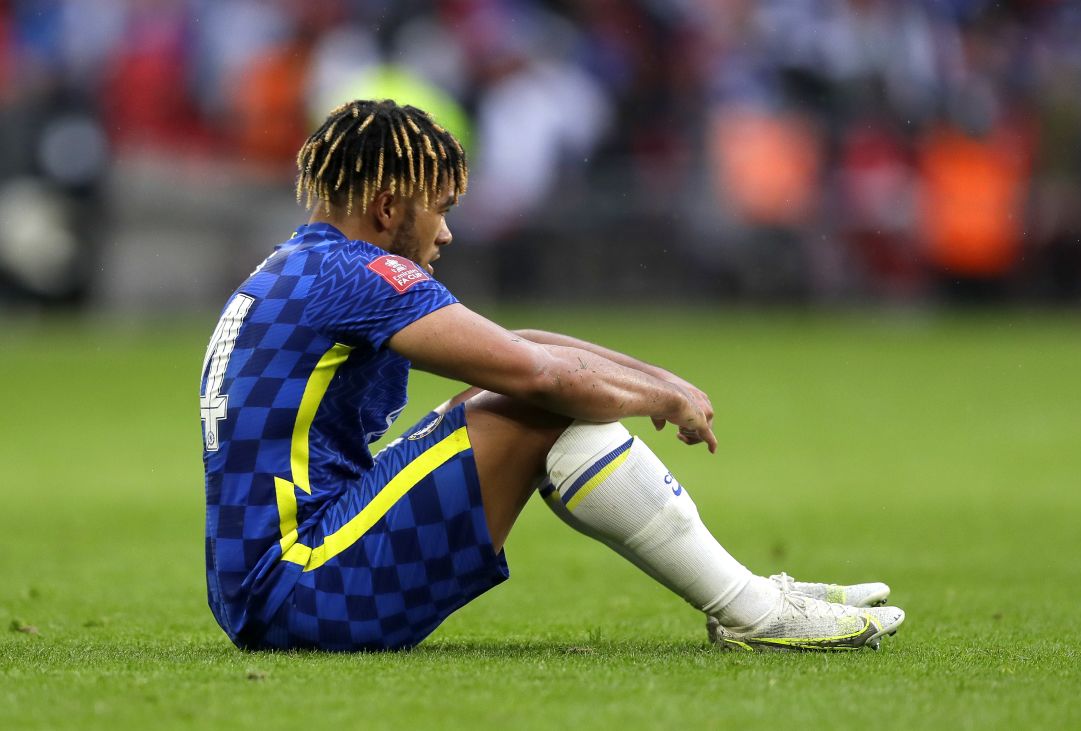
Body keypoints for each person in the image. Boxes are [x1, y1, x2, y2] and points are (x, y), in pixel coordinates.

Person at [200, 99, 905, 653]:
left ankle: (745, 591)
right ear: (388, 209)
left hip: (269, 589)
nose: (445, 233)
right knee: (540, 407)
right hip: (304, 589)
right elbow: (539, 375)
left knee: (511, 394)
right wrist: (659, 397)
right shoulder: (360, 271)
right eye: (439, 208)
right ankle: (751, 609)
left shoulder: (298, 267)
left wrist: (660, 379)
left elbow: (518, 346)